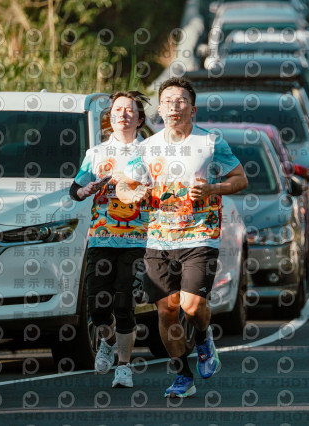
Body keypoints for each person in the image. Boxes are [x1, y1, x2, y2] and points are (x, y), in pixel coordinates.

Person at [123, 77, 248, 396]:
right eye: (166, 101)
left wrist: (212, 188)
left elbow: (240, 179)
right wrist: (133, 195)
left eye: (180, 101)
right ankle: (182, 376)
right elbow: (125, 185)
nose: (173, 106)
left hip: (200, 235)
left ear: (192, 109)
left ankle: (203, 338)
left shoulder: (210, 143)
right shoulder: (146, 147)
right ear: (160, 109)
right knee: (166, 310)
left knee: (192, 306)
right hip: (159, 239)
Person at [69, 91, 150, 388]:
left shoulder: (152, 152)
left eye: (129, 110)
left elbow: (165, 189)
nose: (123, 114)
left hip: (136, 239)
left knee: (124, 303)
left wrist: (146, 191)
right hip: (102, 238)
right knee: (98, 306)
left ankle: (124, 367)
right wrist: (86, 190)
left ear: (139, 119)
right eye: (118, 110)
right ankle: (109, 340)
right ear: (110, 117)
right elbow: (75, 190)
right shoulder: (96, 154)